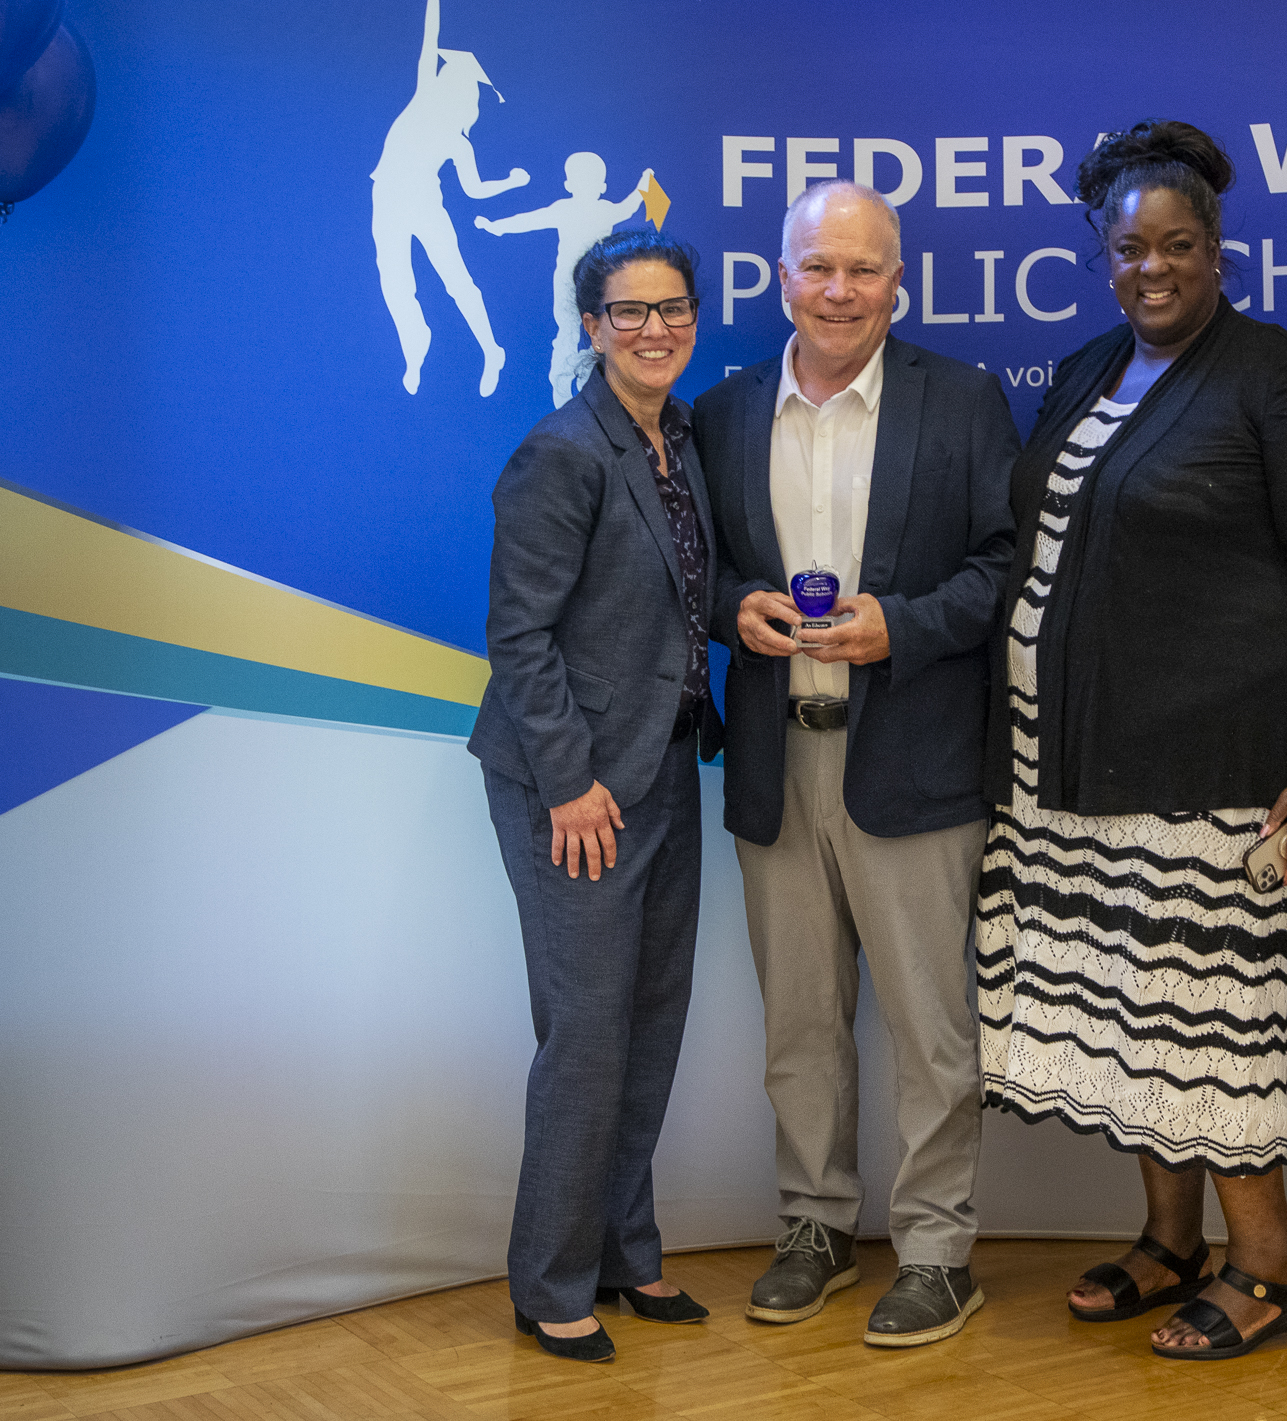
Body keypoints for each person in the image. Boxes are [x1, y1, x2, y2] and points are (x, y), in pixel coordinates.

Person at [973, 121, 1287, 1361]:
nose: (1150, 267)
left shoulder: (1283, 383)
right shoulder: (1088, 368)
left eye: (1175, 245)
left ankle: (1272, 1262)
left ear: (1216, 248)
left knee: (1208, 1021)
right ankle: (1172, 1241)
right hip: (1067, 768)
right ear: (1101, 254)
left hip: (1214, 776)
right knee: (1127, 1014)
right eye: (1128, 247)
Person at [694, 182, 1018, 1348]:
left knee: (932, 1028)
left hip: (915, 761)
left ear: (898, 283)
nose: (839, 290)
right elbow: (696, 565)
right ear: (780, 277)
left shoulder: (963, 400)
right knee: (798, 1022)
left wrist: (906, 626)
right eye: (818, 266)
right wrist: (733, 609)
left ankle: (934, 1251)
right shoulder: (722, 411)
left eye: (863, 268)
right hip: (776, 760)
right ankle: (814, 1224)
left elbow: (1004, 565)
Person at [467, 228, 722, 1362]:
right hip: (572, 786)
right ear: (591, 326)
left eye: (672, 309)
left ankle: (625, 1249)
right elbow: (517, 638)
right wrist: (569, 783)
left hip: (663, 764)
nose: (654, 329)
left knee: (650, 1020)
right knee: (585, 1035)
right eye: (629, 311)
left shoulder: (679, 437)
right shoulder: (561, 452)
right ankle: (551, 1278)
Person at [369, 0, 528, 397]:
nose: (442, 78)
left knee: (456, 280)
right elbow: (430, 39)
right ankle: (416, 345)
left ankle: (492, 350)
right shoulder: (423, 95)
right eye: (444, 75)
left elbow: (474, 190)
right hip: (386, 197)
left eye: (452, 80)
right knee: (394, 279)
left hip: (424, 205)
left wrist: (510, 182)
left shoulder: (457, 141)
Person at [475, 153, 653, 409]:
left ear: (602, 187)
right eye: (580, 182)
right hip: (568, 284)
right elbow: (532, 219)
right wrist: (498, 226)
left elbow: (629, 207)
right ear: (569, 185)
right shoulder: (564, 208)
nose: (586, 188)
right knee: (568, 331)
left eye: (592, 182)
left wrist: (643, 184)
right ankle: (561, 388)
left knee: (603, 331)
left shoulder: (605, 210)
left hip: (602, 285)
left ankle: (590, 380)